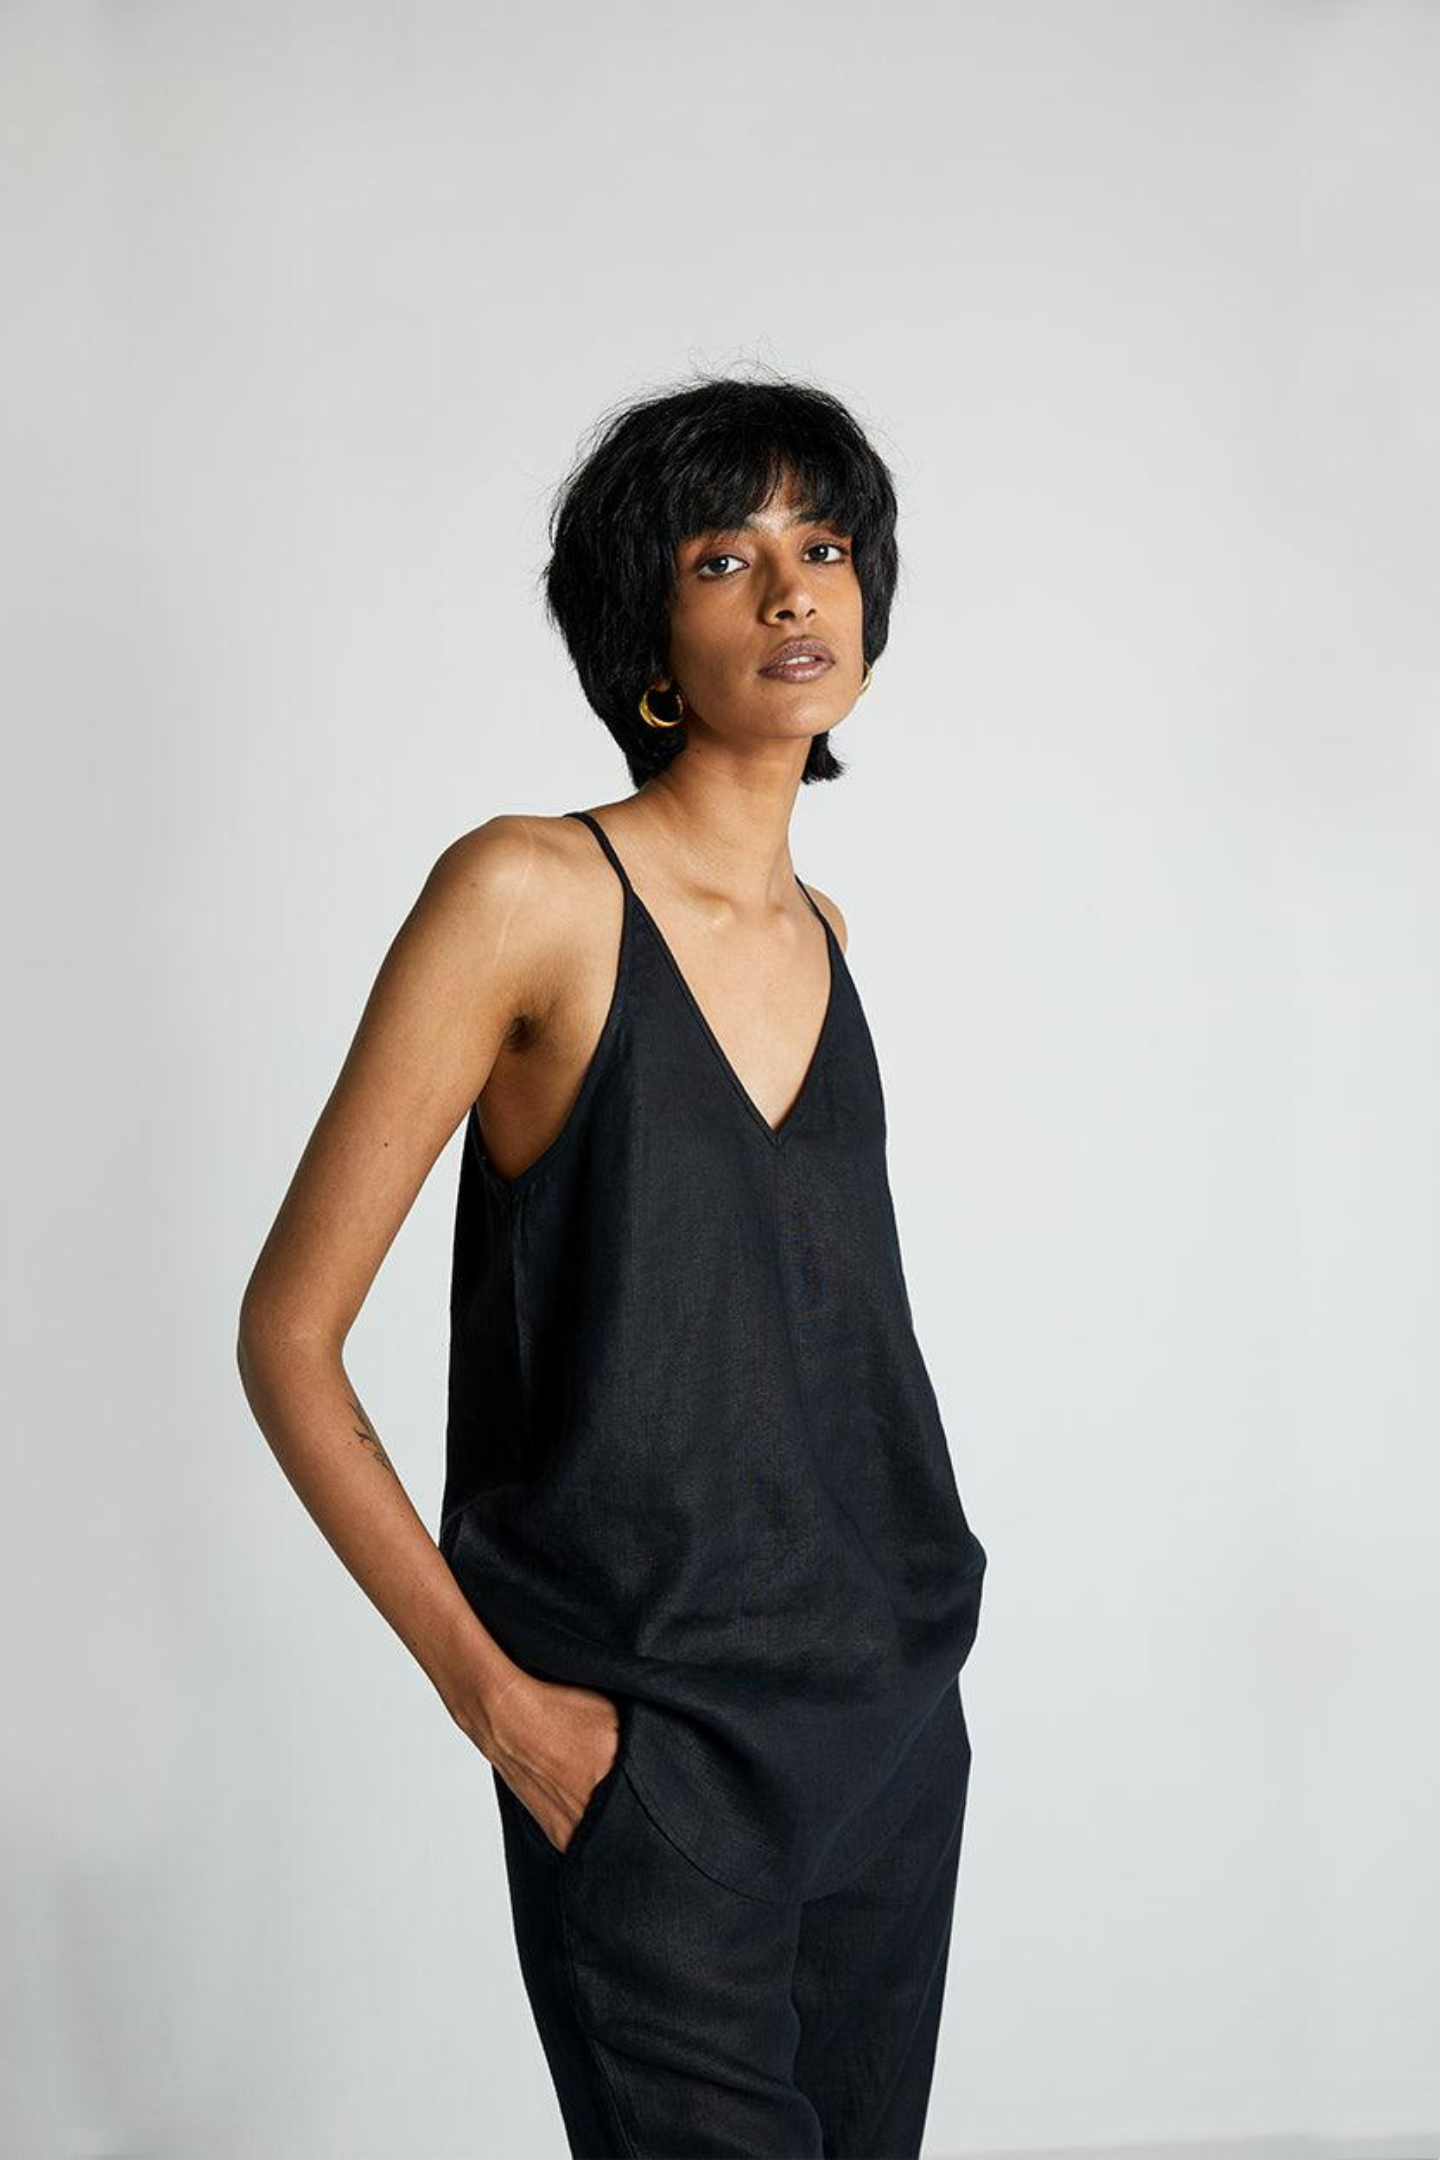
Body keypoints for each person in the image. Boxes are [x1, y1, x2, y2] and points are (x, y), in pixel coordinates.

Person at [237, 373, 988, 2159]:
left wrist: (917, 1691)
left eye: (824, 547)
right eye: (725, 558)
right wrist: (503, 1709)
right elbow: (287, 1337)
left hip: (890, 1734)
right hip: (653, 1760)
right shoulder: (527, 895)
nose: (791, 590)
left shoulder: (828, 935)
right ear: (648, 638)